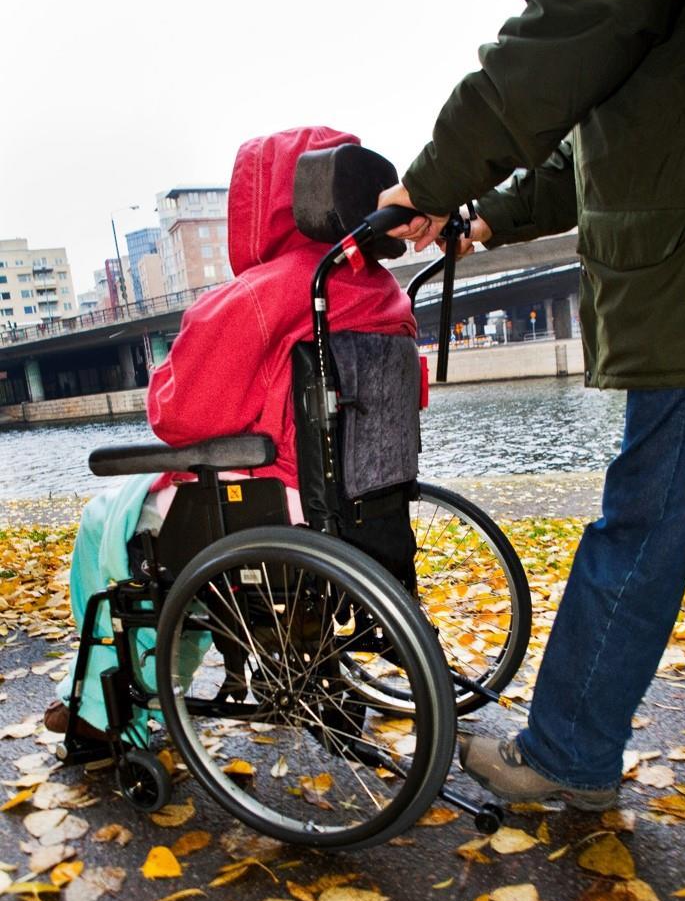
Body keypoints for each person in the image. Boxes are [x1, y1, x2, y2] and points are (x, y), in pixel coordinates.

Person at [379, 0, 685, 809]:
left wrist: (435, 179)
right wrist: (483, 214)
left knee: (641, 533)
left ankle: (569, 750)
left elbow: (572, 33)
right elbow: (620, 119)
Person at [45, 125, 416, 743]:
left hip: (273, 504)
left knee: (109, 527)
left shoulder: (265, 293)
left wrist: (166, 381)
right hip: (363, 499)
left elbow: (179, 416)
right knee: (171, 519)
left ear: (263, 201)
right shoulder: (381, 291)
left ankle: (105, 709)